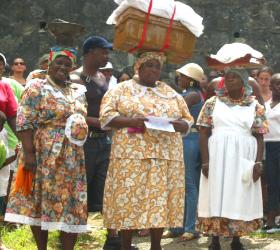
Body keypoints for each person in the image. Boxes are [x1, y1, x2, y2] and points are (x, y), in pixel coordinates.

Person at [99, 52, 194, 250]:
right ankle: (126, 245)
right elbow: (106, 117)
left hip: (165, 154)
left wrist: (179, 125)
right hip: (130, 154)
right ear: (138, 67)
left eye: (157, 66)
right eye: (149, 65)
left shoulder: (170, 92)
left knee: (158, 200)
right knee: (127, 197)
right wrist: (132, 121)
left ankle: (156, 245)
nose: (154, 70)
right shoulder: (121, 90)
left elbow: (187, 120)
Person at [5, 47, 88, 250]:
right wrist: (30, 153)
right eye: (58, 62)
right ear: (49, 64)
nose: (62, 67)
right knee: (41, 199)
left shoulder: (77, 90)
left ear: (72, 67)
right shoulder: (37, 86)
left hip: (72, 156)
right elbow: (24, 120)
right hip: (43, 151)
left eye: (67, 64)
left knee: (70, 201)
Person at [197, 68, 268, 250]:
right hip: (218, 155)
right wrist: (205, 161)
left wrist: (258, 163)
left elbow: (260, 136)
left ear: (244, 82)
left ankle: (236, 239)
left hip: (243, 156)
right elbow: (203, 133)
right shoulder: (213, 103)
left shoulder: (255, 106)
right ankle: (215, 240)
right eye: (227, 78)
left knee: (238, 195)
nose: (229, 80)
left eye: (234, 77)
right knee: (216, 194)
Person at [70, 36, 119, 250]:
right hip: (84, 142)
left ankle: (113, 239)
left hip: (104, 141)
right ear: (89, 52)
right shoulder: (75, 79)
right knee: (80, 190)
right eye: (103, 52)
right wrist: (103, 123)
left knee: (108, 188)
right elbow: (73, 113)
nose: (106, 56)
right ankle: (70, 239)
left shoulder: (101, 76)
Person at [164, 63, 204, 241]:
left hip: (190, 139)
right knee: (176, 183)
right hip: (179, 139)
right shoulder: (183, 94)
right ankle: (176, 226)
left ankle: (190, 227)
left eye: (182, 76)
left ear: (191, 80)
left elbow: (176, 111)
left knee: (188, 184)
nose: (179, 78)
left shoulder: (193, 95)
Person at [263, 73, 280, 233]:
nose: (279, 87)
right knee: (272, 182)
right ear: (271, 86)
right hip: (268, 146)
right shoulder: (266, 104)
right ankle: (271, 219)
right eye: (276, 84)